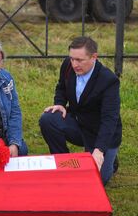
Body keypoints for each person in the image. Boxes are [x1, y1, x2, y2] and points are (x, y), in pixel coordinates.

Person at [39, 36, 122, 185]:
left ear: (94, 57)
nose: (74, 64)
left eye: (79, 60)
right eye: (72, 59)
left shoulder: (109, 80)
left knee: (97, 180)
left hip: (99, 132)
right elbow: (61, 87)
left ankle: (110, 159)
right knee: (48, 119)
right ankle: (62, 163)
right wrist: (60, 104)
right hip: (78, 123)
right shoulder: (68, 65)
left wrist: (100, 150)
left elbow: (110, 119)